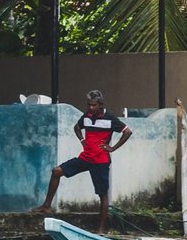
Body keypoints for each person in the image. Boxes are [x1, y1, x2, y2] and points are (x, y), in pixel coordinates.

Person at [40, 90, 132, 228]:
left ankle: (101, 229)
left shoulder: (110, 118)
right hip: (85, 158)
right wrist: (83, 141)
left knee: (103, 194)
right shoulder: (86, 116)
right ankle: (46, 206)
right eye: (89, 105)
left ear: (100, 105)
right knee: (56, 171)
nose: (90, 108)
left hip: (100, 161)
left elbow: (127, 132)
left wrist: (112, 148)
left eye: (94, 105)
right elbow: (77, 127)